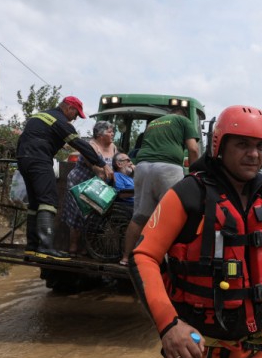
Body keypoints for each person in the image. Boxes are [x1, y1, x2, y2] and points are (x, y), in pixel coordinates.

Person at [130, 105, 262, 358]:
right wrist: (169, 328)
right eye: (243, 144)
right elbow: (143, 256)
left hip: (251, 337)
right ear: (219, 146)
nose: (254, 154)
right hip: (194, 343)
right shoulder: (187, 193)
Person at [16, 96, 113, 260]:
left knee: (35, 203)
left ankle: (32, 247)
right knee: (49, 201)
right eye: (76, 115)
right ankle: (46, 247)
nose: (75, 119)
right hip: (39, 160)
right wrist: (101, 163)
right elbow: (80, 145)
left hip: (23, 159)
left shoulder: (40, 115)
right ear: (69, 108)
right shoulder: (59, 121)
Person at [118, 106, 199, 266]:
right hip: (167, 168)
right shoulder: (184, 120)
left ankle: (126, 258)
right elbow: (193, 149)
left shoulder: (153, 123)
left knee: (140, 216)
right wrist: (194, 174)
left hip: (142, 167)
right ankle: (168, 261)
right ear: (182, 115)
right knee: (173, 215)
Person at [62, 120, 117, 256]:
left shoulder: (113, 147)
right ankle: (73, 246)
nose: (113, 134)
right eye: (110, 132)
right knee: (79, 215)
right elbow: (97, 170)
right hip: (81, 183)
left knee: (95, 217)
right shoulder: (90, 146)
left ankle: (87, 247)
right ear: (100, 135)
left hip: (99, 186)